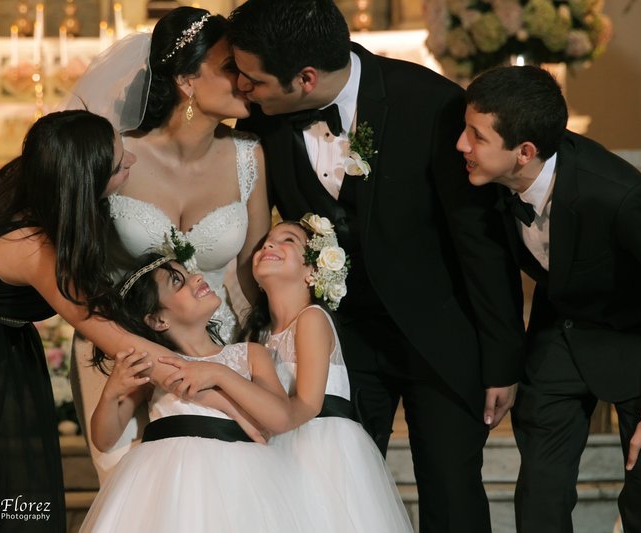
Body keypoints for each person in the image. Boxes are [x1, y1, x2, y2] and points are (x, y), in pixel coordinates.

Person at [229, 0, 525, 530]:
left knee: (452, 494)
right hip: (338, 340)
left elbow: (481, 239)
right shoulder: (263, 117)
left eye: (253, 79)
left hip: (440, 336)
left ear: (305, 78)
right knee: (336, 491)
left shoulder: (432, 104)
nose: (242, 88)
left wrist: (502, 358)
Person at [0, 110, 252, 533]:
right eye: (119, 165)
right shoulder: (38, 249)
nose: (132, 161)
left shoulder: (35, 181)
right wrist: (229, 394)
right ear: (84, 184)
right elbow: (123, 344)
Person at [457, 65, 641, 532]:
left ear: (525, 152)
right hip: (559, 336)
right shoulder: (486, 180)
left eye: (477, 136)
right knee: (539, 497)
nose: (461, 145)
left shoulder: (621, 198)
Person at [64, 6, 271, 482]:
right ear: (186, 80)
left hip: (218, 347)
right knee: (129, 490)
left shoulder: (249, 156)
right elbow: (72, 249)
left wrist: (259, 351)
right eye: (230, 67)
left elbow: (251, 271)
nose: (245, 81)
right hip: (121, 353)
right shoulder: (118, 151)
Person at [157, 216, 413, 532]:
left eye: (288, 240)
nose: (269, 245)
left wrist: (264, 426)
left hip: (319, 448)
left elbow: (308, 404)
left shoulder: (311, 318)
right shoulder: (260, 336)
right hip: (278, 447)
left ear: (313, 271)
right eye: (266, 242)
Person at [79, 254, 307, 533]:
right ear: (157, 320)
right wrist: (112, 393)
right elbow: (104, 439)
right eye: (178, 282)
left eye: (188, 274)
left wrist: (219, 373)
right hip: (172, 485)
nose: (197, 278)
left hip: (243, 484)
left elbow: (279, 417)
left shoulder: (250, 354)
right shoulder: (154, 368)